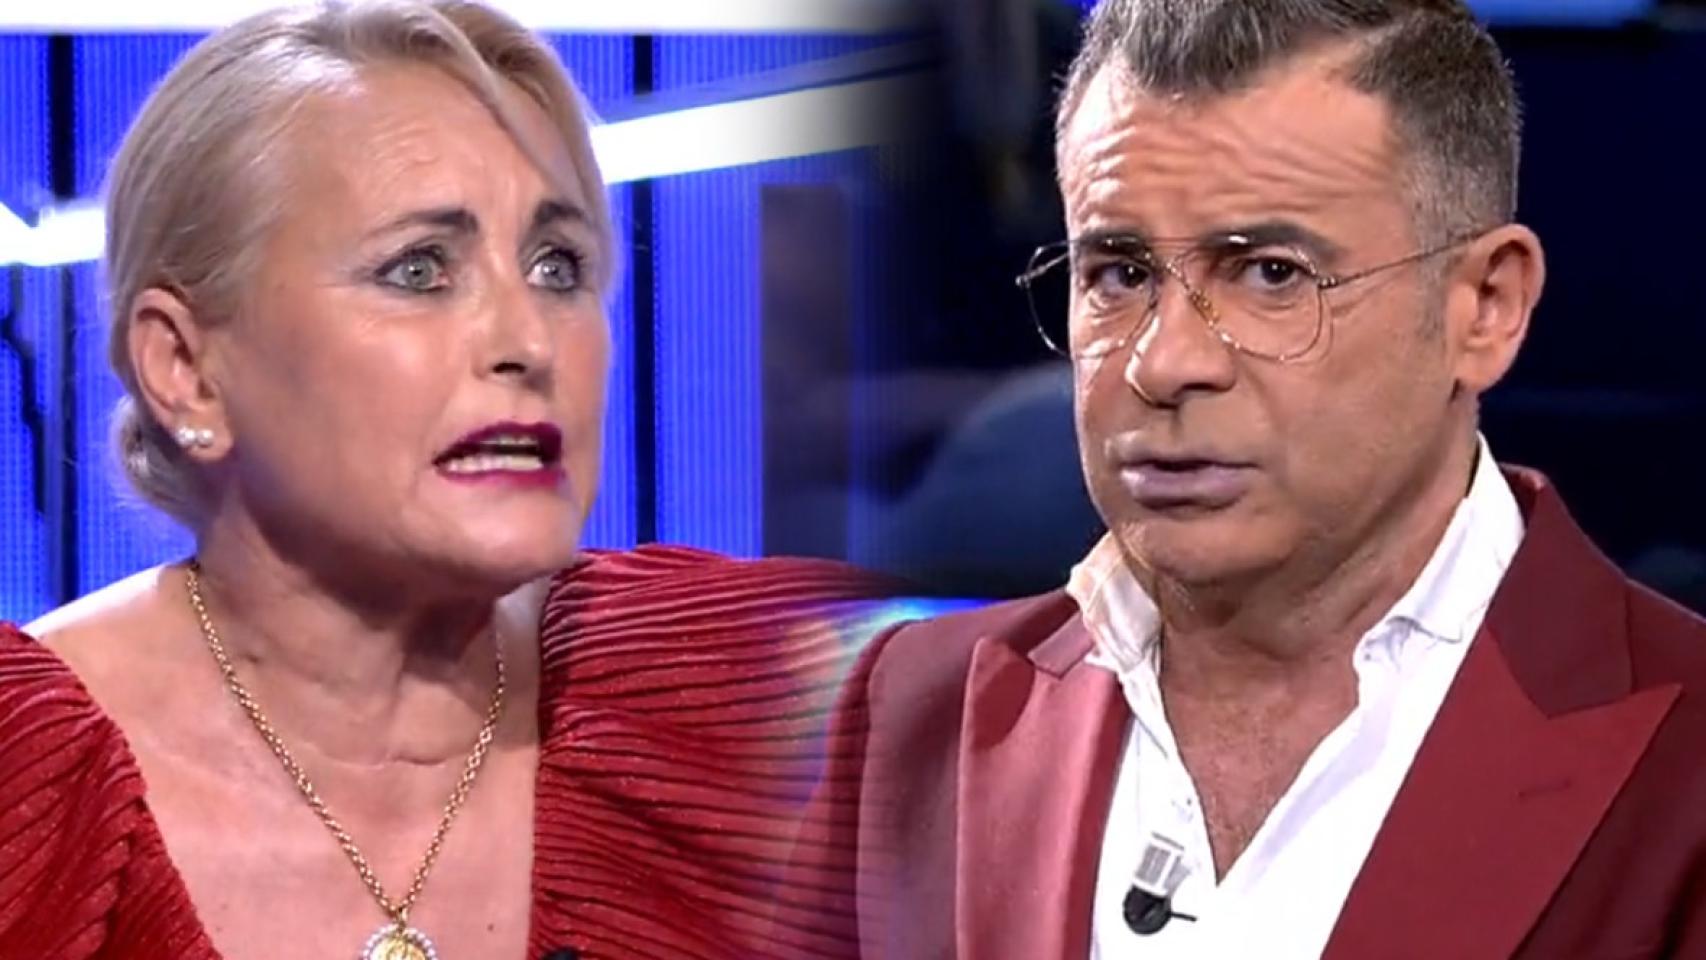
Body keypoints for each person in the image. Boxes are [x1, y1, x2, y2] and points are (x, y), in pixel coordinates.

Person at [815, 1, 1706, 956]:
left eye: (1273, 274)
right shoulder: (906, 717)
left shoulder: (1684, 765)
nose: (1164, 363)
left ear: (1485, 307)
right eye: (1118, 274)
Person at [0, 3, 891, 958]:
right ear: (185, 370)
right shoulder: (26, 778)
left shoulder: (746, 691)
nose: (528, 341)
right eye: (419, 270)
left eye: (557, 267)